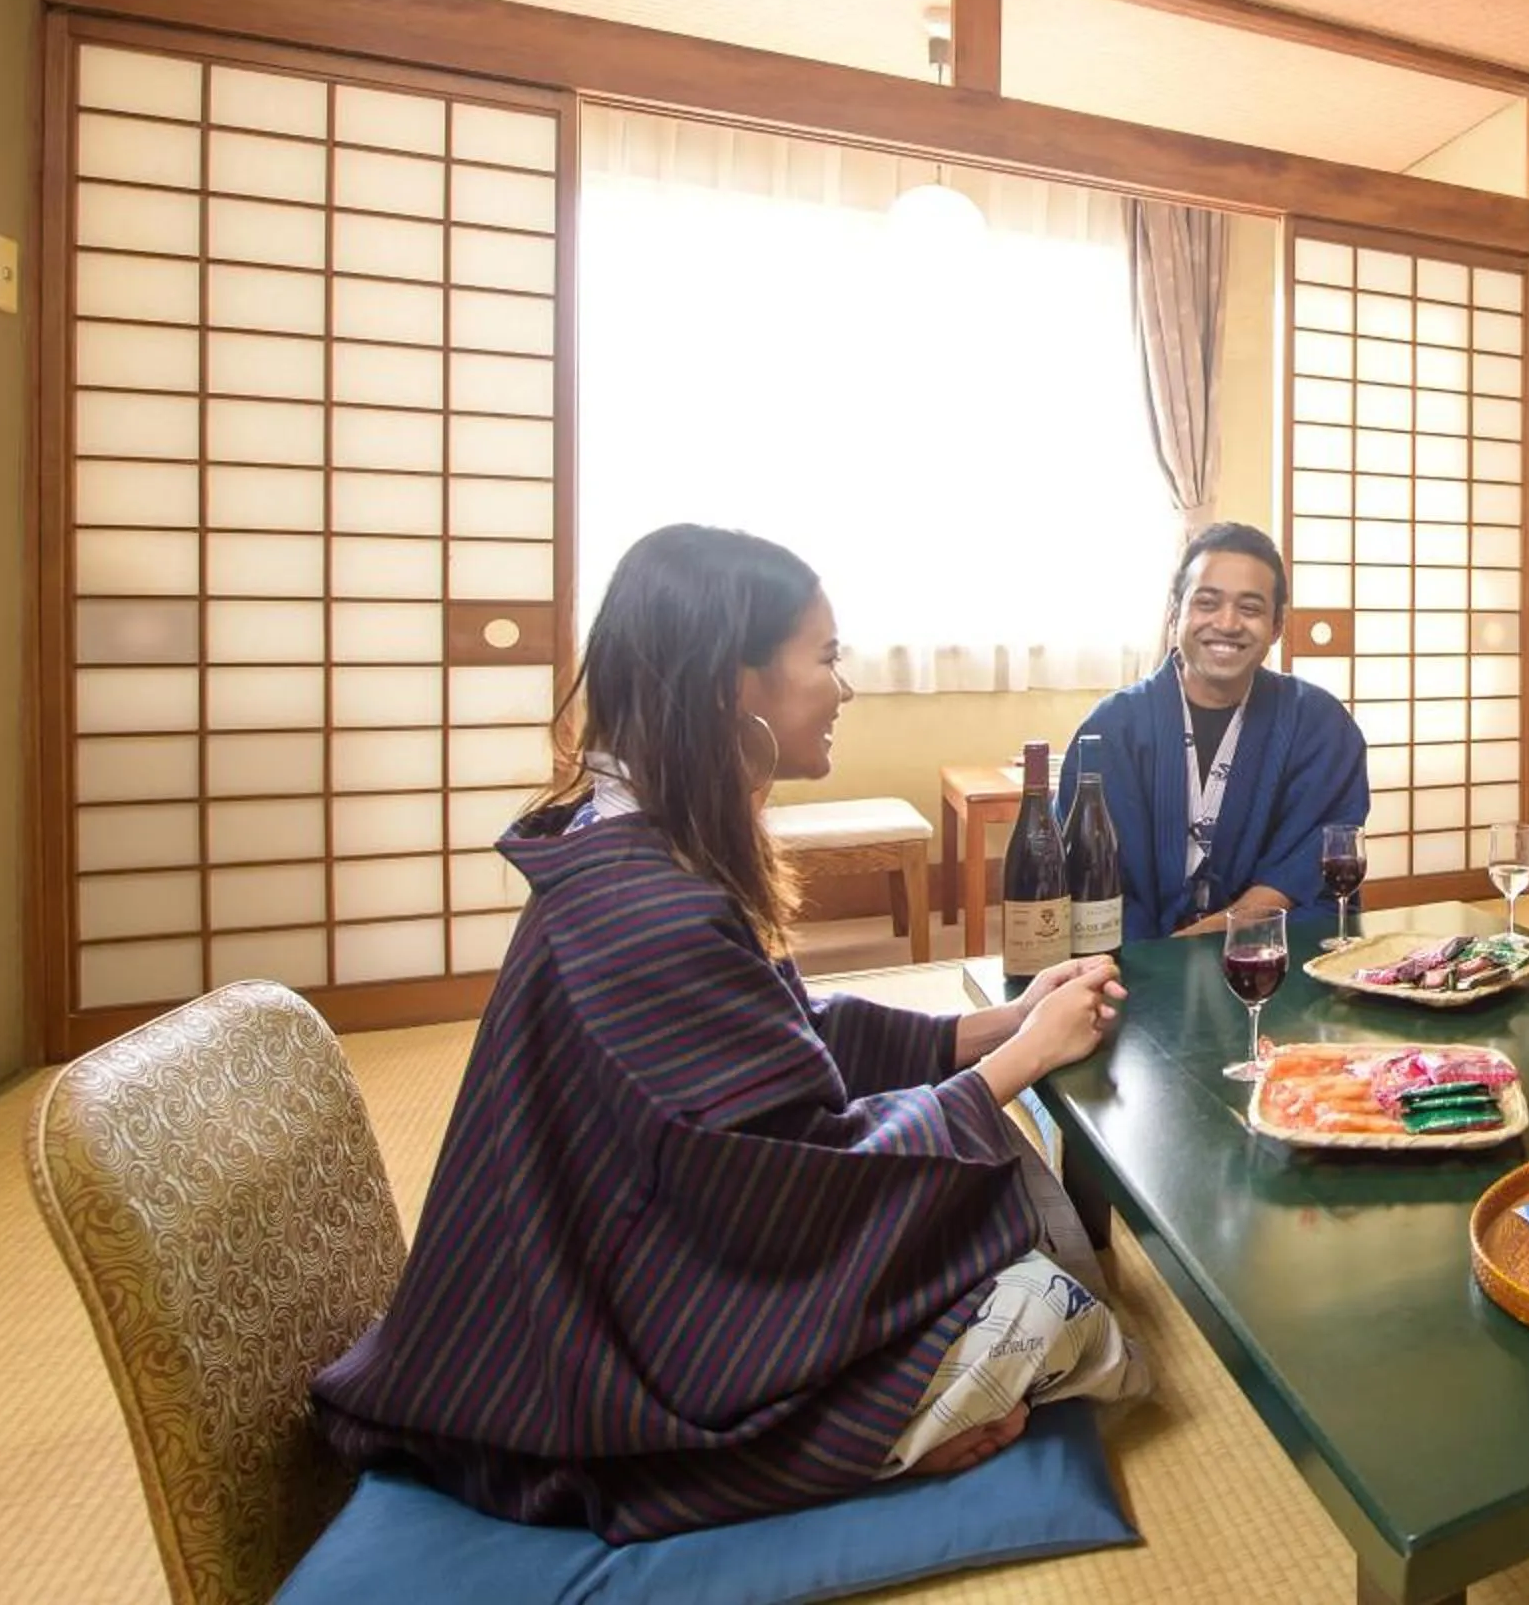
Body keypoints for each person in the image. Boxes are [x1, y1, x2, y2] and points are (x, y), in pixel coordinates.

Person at [311, 525, 1144, 1543]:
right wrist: (1024, 1059)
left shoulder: (637, 838)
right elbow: (795, 1174)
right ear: (728, 684)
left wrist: (993, 1026)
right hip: (619, 1332)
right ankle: (856, 1440)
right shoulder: (648, 906)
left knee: (1017, 1216)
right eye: (826, 656)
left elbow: (784, 1035)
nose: (844, 687)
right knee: (1067, 1314)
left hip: (608, 1254)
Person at [1065, 522, 1370, 937]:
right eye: (1207, 603)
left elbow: (1305, 868)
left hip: (1270, 953)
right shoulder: (1112, 728)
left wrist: (1199, 941)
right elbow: (1089, 878)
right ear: (1175, 613)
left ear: (1278, 625)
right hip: (1135, 967)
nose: (1227, 624)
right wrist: (1156, 964)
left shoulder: (1319, 724)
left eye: (1250, 608)